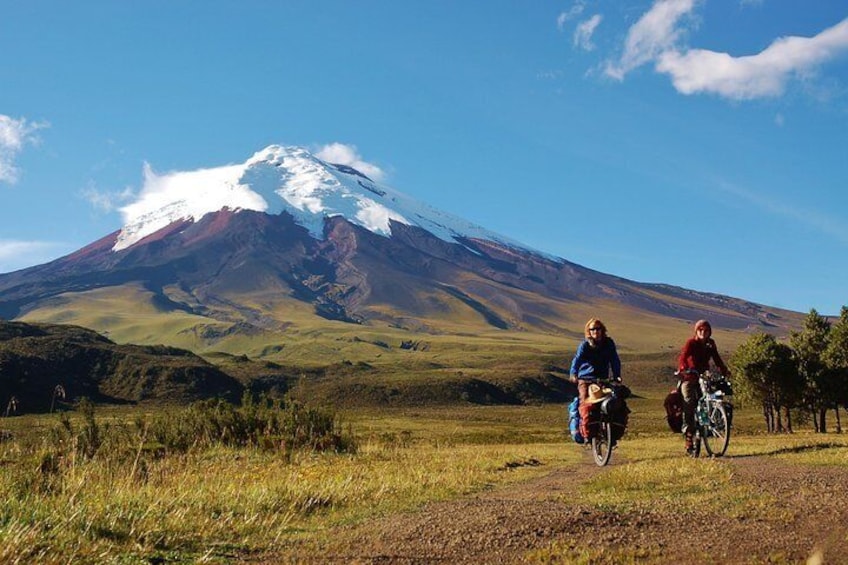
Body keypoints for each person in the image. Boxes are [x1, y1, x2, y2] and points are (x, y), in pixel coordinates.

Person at [677, 319, 730, 455]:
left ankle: (708, 427)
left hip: (703, 376)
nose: (703, 333)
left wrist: (724, 370)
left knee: (710, 397)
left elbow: (716, 358)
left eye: (706, 330)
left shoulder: (710, 344)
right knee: (689, 402)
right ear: (696, 331)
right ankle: (689, 437)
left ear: (709, 332)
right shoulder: (691, 343)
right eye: (700, 330)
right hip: (689, 376)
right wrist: (684, 368)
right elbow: (683, 356)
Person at [570, 318, 622, 438]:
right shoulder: (585, 345)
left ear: (602, 330)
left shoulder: (608, 343)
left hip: (603, 379)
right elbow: (577, 359)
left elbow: (614, 360)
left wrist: (617, 375)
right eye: (592, 329)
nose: (595, 331)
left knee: (613, 402)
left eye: (598, 328)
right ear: (588, 331)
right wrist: (574, 373)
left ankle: (611, 434)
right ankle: (586, 433)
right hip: (586, 378)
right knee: (585, 402)